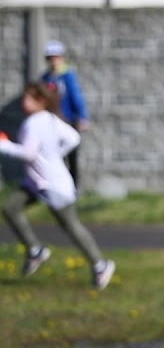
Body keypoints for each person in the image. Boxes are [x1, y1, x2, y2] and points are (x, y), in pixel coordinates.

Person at [0, 82, 114, 289]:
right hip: (36, 182)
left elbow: (28, 154)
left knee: (70, 225)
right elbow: (73, 138)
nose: (23, 102)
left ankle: (101, 264)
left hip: (53, 184)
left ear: (41, 101)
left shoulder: (33, 123)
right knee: (11, 208)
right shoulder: (51, 119)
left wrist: (4, 145)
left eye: (28, 98)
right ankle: (36, 250)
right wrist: (53, 156)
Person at [40, 40, 90, 184]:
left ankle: (73, 187)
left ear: (62, 58)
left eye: (56, 57)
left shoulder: (68, 75)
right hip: (53, 123)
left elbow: (76, 96)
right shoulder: (46, 78)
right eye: (50, 58)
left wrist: (83, 117)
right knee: (55, 156)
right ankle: (58, 185)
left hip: (69, 120)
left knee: (72, 156)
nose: (54, 61)